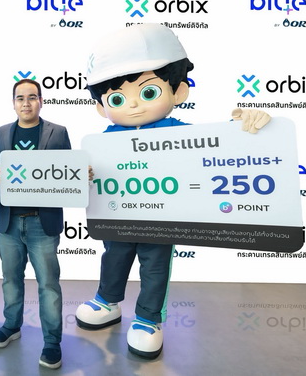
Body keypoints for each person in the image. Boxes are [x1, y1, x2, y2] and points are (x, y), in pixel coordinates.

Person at [76, 23, 270, 359]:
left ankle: (148, 318)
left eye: (148, 92)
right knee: (114, 257)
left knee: (155, 266)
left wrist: (245, 127)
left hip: (161, 219)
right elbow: (90, 176)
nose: (133, 106)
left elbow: (216, 146)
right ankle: (107, 300)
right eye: (118, 99)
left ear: (178, 92)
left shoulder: (178, 133)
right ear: (102, 107)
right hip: (117, 217)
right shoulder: (103, 141)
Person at [0, 78, 71, 369]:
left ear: (41, 101)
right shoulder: (0, 133)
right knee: (10, 279)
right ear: (13, 103)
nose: (26, 103)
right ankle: (11, 325)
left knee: (48, 285)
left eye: (32, 97)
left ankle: (52, 342)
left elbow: (67, 173)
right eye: (20, 98)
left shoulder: (58, 133)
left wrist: (81, 174)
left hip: (42, 222)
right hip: (8, 222)